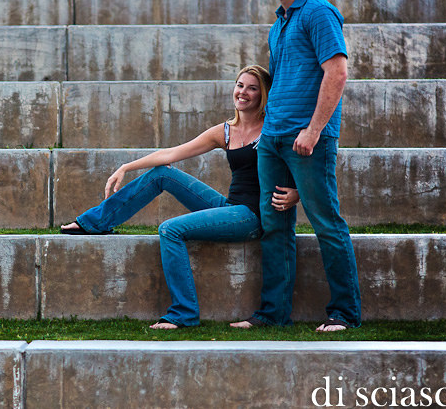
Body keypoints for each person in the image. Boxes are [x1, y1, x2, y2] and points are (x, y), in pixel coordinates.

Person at [60, 65, 299, 329]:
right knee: (163, 173)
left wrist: (297, 193)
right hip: (230, 207)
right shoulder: (226, 131)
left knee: (170, 229)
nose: (243, 92)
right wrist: (126, 167)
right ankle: (95, 222)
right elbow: (171, 154)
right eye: (240, 85)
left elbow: (301, 162)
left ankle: (183, 313)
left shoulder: (272, 128)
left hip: (252, 216)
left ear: (263, 95)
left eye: (252, 88)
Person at [230, 0, 362, 333]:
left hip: (307, 139)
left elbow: (336, 72)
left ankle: (344, 312)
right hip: (272, 140)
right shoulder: (278, 24)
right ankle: (273, 313)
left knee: (326, 223)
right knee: (274, 225)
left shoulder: (318, 12)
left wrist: (314, 129)